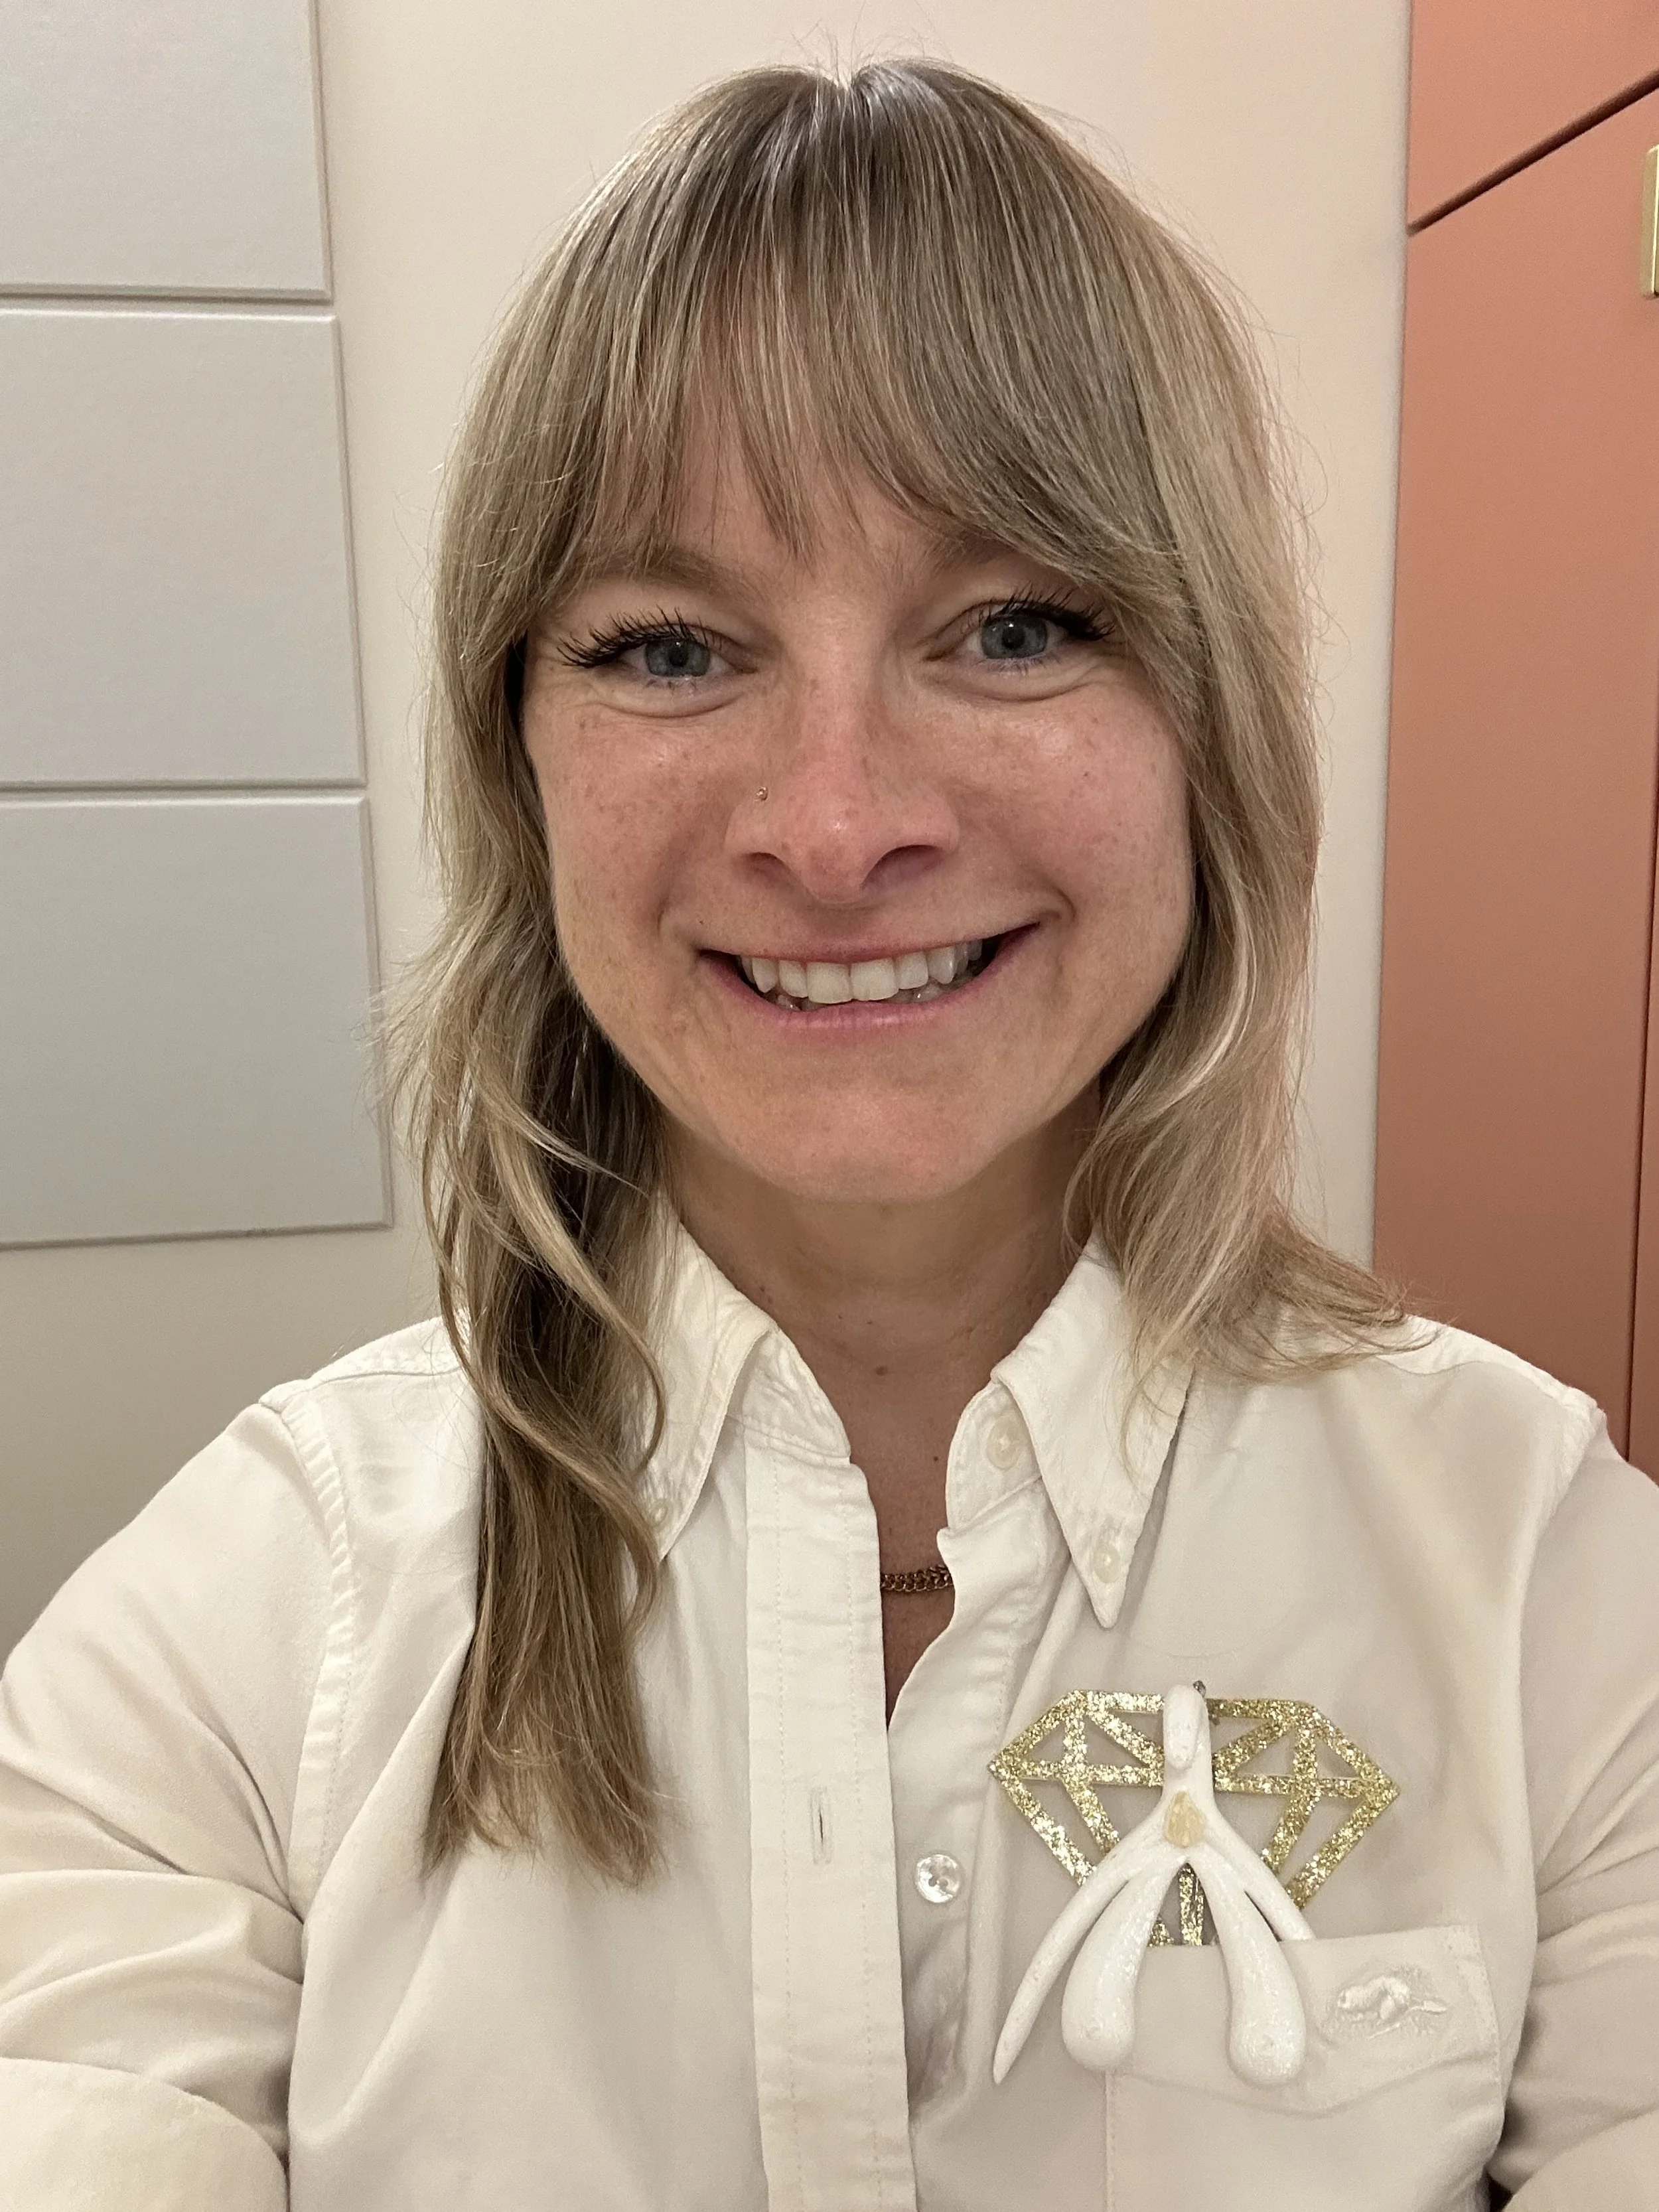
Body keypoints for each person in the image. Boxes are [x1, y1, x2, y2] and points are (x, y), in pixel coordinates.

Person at [1, 58, 1656, 2212]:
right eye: (673, 646)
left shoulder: (1548, 1585)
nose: (840, 819)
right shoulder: (223, 1643)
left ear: (1208, 723)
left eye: (1017, 626)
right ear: (520, 770)